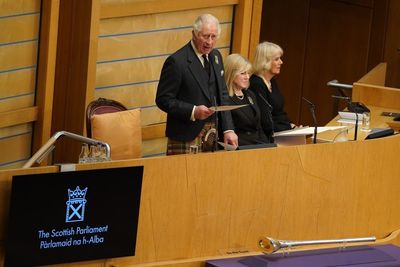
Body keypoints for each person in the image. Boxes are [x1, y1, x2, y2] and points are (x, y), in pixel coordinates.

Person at [156, 14, 238, 155]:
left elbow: (222, 95)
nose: (210, 42)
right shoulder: (177, 61)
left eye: (214, 37)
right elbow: (163, 99)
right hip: (185, 137)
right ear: (194, 33)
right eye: (205, 36)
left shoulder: (216, 56)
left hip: (213, 136)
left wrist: (228, 129)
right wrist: (193, 111)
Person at [224, 54, 272, 145]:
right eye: (243, 73)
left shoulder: (250, 94)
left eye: (248, 73)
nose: (247, 77)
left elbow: (259, 127)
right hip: (239, 147)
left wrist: (267, 146)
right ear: (231, 74)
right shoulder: (224, 98)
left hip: (258, 145)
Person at [249, 41, 296, 133]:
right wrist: (288, 129)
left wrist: (292, 125)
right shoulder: (256, 84)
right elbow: (265, 120)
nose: (281, 62)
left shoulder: (272, 81)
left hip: (282, 130)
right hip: (269, 135)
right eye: (276, 59)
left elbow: (279, 112)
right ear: (265, 61)